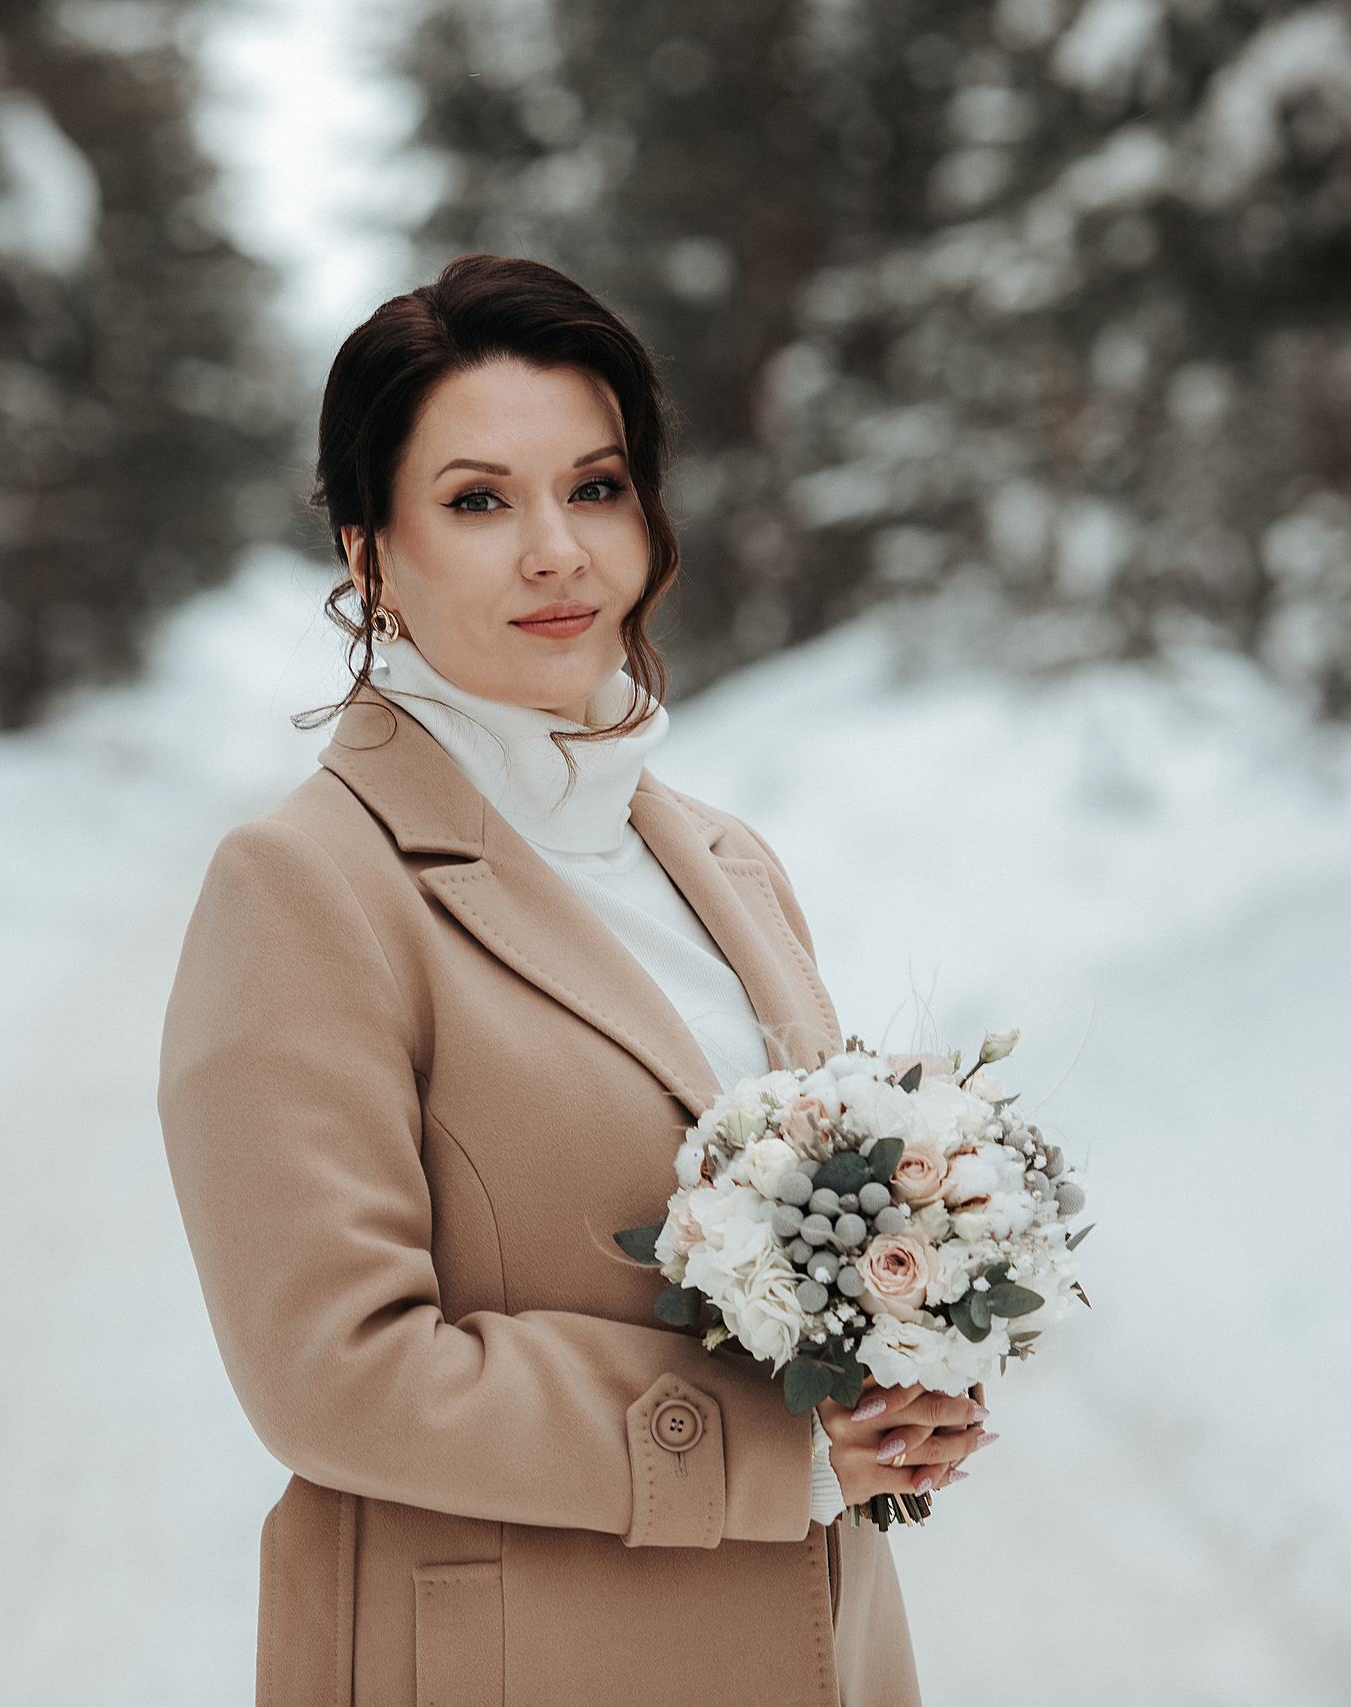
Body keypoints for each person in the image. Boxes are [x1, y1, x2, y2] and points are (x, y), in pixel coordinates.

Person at [157, 254, 986, 1707]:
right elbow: (334, 1371)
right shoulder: (307, 886)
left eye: (595, 488)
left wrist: (899, 1368)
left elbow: (812, 1261)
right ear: (370, 553)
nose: (557, 551)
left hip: (812, 1655)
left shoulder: (725, 862)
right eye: (479, 501)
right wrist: (763, 1448)